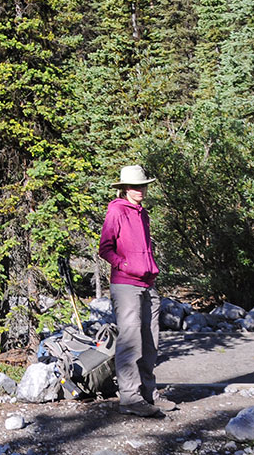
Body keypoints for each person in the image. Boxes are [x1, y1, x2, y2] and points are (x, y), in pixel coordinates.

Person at [98, 164, 174, 417]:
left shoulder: (142, 213)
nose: (139, 189)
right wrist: (126, 264)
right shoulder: (117, 210)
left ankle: (148, 394)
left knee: (150, 341)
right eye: (134, 186)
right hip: (125, 284)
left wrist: (148, 268)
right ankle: (130, 398)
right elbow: (105, 248)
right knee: (130, 341)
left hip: (147, 283)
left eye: (142, 185)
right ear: (124, 189)